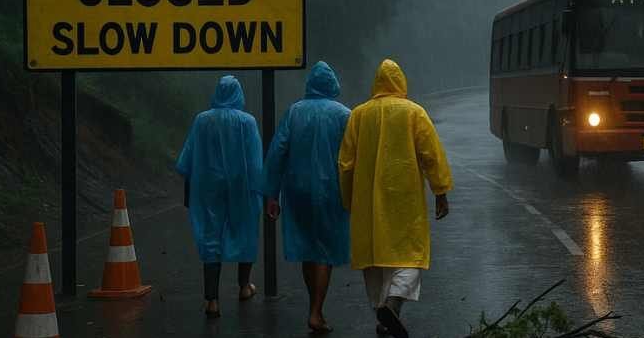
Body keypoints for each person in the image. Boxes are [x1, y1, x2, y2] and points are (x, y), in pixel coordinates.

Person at [338, 59, 453, 338]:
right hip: (405, 201)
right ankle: (393, 305)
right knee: (410, 257)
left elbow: (346, 163)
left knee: (374, 261)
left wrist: (348, 198)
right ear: (401, 82)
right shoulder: (414, 113)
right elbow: (431, 155)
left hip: (368, 203)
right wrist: (440, 190)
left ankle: (382, 312)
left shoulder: (358, 115)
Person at [263, 61, 352, 334]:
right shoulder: (344, 115)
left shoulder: (294, 112)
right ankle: (316, 311)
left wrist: (271, 194)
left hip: (296, 190)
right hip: (330, 191)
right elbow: (353, 156)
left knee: (307, 248)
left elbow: (277, 152)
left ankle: (313, 306)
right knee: (324, 250)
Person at [176, 75, 264, 318]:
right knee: (245, 230)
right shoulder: (248, 122)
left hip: (208, 188)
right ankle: (244, 286)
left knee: (210, 237)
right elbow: (256, 162)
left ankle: (212, 300)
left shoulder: (202, 120)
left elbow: (187, 159)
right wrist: (263, 190)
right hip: (241, 186)